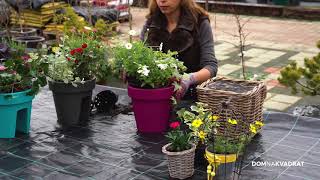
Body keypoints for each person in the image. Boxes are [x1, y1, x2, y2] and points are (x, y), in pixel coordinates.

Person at [140, 0, 218, 100]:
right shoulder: (151, 23)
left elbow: (211, 67)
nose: (162, 1)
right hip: (155, 97)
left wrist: (189, 79)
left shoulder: (199, 22)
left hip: (192, 99)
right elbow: (141, 59)